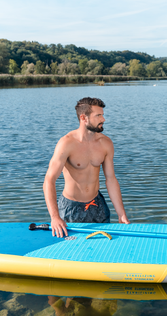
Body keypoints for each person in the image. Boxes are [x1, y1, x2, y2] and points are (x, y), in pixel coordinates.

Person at [43, 97, 130, 237]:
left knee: (103, 245)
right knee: (72, 250)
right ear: (84, 118)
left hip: (97, 204)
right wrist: (54, 217)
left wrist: (122, 214)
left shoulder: (106, 143)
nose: (103, 119)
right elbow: (49, 180)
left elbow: (111, 179)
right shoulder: (67, 144)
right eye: (98, 115)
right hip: (71, 207)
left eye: (102, 114)